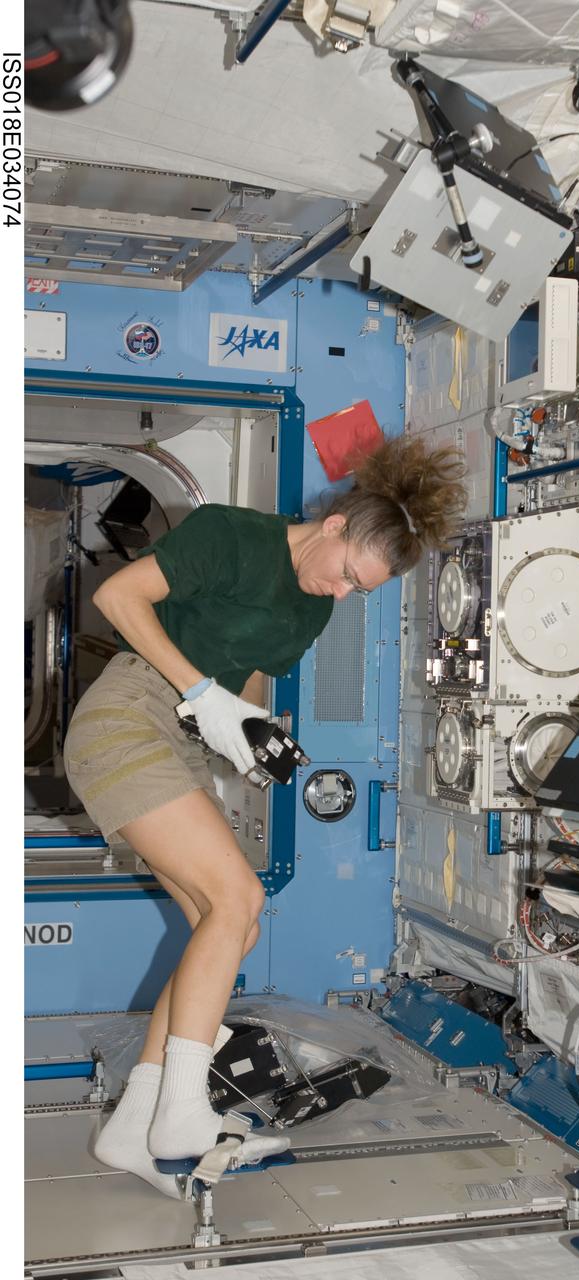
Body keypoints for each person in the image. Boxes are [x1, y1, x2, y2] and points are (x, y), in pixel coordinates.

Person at [63, 433, 466, 1196]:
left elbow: (247, 682)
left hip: (180, 740)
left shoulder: (312, 608)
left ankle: (134, 1123)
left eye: (362, 592)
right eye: (348, 574)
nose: (343, 594)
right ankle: (184, 1112)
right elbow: (117, 600)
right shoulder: (232, 536)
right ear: (337, 525)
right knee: (238, 897)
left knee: (230, 926)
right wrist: (200, 695)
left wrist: (255, 735)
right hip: (126, 714)